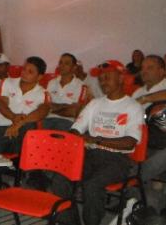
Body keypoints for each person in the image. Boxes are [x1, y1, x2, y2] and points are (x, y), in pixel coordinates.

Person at [52, 60, 145, 225]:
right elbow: (76, 129)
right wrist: (74, 137)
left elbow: (130, 143)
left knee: (92, 185)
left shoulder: (133, 106)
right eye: (101, 79)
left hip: (117, 159)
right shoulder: (95, 104)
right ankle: (70, 222)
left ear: (121, 78)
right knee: (60, 178)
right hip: (90, 154)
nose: (103, 82)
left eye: (108, 77)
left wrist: (96, 139)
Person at [0, 57, 50, 203]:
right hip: (2, 133)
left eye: (30, 71)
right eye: (24, 69)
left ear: (40, 76)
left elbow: (43, 111)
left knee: (29, 127)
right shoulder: (7, 83)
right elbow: (2, 104)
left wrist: (17, 124)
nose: (24, 73)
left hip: (20, 141)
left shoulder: (43, 93)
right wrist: (14, 117)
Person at [132, 55, 166, 184]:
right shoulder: (138, 91)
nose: (144, 71)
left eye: (150, 68)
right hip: (139, 138)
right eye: (142, 68)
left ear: (161, 71)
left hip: (165, 137)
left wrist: (145, 99)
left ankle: (131, 180)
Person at [44, 53, 89, 131]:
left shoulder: (82, 86)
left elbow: (74, 112)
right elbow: (46, 106)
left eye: (66, 63)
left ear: (74, 67)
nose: (62, 66)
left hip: (67, 122)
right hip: (48, 120)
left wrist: (54, 107)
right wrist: (66, 106)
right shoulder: (51, 83)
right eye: (60, 63)